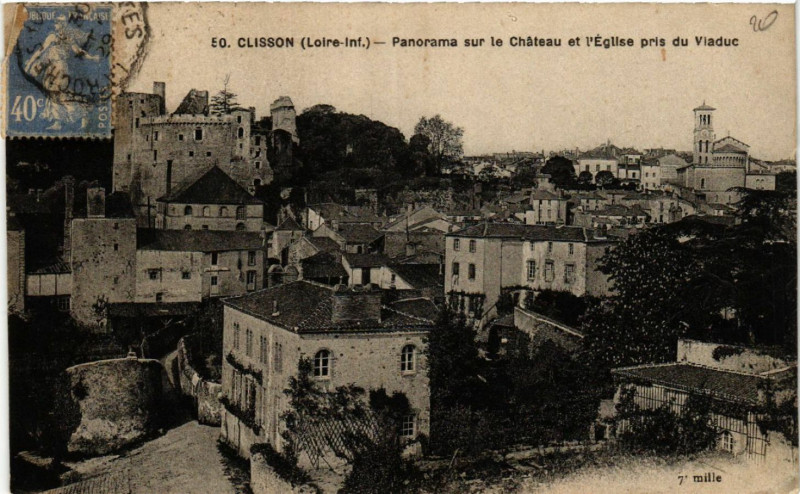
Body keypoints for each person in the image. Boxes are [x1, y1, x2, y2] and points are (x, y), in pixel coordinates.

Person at [22, 15, 100, 130]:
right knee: (54, 95)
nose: (56, 25)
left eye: (58, 23)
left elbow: (78, 51)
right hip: (51, 69)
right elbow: (40, 51)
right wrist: (30, 63)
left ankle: (83, 115)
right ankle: (58, 122)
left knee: (62, 94)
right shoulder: (52, 37)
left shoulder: (68, 38)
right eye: (56, 23)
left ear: (63, 24)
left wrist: (92, 58)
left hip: (61, 69)